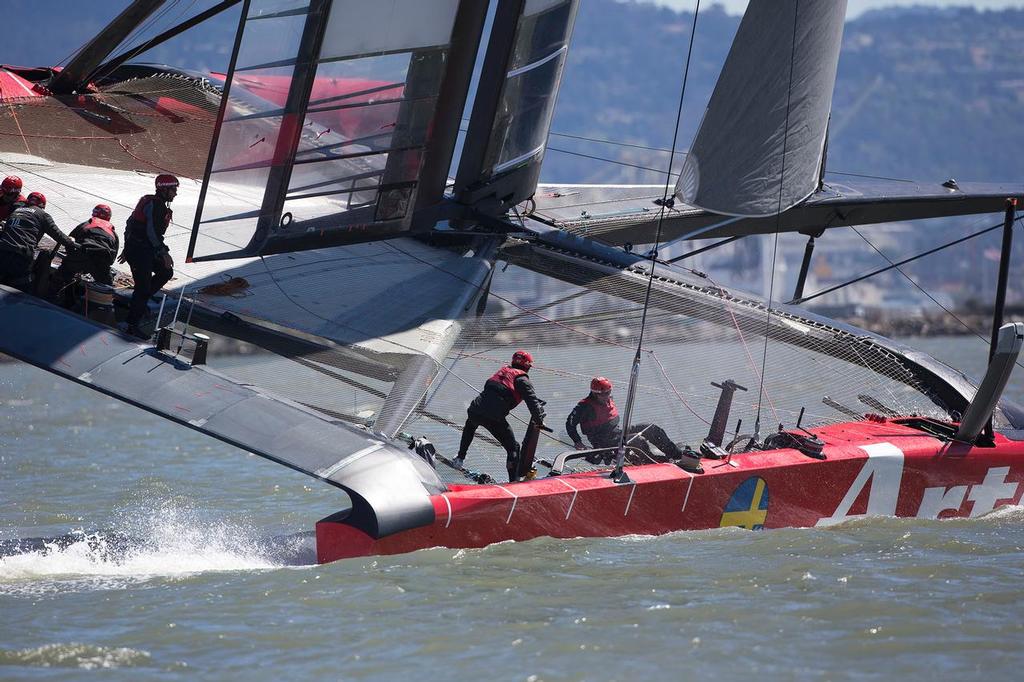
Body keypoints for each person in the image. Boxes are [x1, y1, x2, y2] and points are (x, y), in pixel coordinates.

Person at [566, 376, 702, 473]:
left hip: (617, 432)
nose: (607, 396)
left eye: (609, 392)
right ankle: (652, 462)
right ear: (595, 394)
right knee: (637, 440)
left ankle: (676, 455)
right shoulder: (584, 406)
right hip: (603, 440)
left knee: (651, 428)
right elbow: (570, 424)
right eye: (604, 394)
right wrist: (578, 442)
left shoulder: (607, 398)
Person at [456, 350, 546, 478]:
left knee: (470, 426)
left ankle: (459, 458)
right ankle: (513, 482)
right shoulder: (522, 379)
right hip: (494, 417)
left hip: (474, 409)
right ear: (527, 366)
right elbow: (533, 403)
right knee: (513, 448)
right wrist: (539, 421)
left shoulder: (502, 371)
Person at [120, 174, 177, 338]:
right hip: (140, 252)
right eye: (174, 190)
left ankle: (139, 302)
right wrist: (164, 253)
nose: (175, 194)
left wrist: (127, 247)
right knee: (143, 287)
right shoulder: (156, 205)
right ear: (165, 189)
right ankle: (131, 325)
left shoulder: (152, 202)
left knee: (166, 272)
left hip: (141, 250)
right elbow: (151, 232)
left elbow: (130, 224)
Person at [0, 192, 78, 292]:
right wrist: (70, 241)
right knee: (21, 289)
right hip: (20, 255)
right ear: (42, 205)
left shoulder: (16, 211)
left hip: (2, 250)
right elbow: (57, 235)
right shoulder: (42, 215)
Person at [54, 204, 119, 308]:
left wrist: (72, 258)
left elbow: (69, 241)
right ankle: (100, 309)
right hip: (101, 259)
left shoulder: (86, 224)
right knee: (106, 284)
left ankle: (60, 298)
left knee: (64, 273)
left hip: (82, 253)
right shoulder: (113, 232)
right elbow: (111, 259)